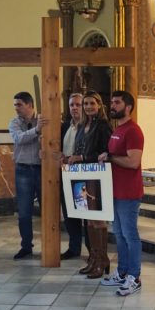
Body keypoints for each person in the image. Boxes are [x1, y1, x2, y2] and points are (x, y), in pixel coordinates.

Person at [99, 91, 145, 296]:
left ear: (128, 107)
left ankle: (134, 277)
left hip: (129, 192)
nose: (112, 105)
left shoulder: (133, 131)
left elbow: (133, 162)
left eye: (117, 102)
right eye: (111, 102)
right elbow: (115, 156)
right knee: (119, 234)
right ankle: (122, 272)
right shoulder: (117, 130)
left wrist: (110, 158)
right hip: (115, 191)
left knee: (130, 235)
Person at [70, 91, 113, 279]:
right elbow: (78, 149)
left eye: (91, 103)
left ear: (99, 105)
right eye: (85, 103)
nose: (88, 107)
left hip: (97, 176)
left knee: (97, 219)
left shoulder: (103, 125)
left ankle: (102, 259)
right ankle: (93, 258)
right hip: (81, 175)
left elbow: (107, 152)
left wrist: (82, 157)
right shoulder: (81, 126)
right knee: (87, 219)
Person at [9, 91, 48, 260]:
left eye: (19, 105)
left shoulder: (42, 120)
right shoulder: (14, 123)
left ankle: (49, 245)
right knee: (24, 212)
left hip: (42, 169)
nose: (16, 108)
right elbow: (19, 138)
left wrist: (43, 133)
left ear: (30, 105)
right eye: (15, 105)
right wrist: (36, 130)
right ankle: (26, 246)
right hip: (23, 170)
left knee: (48, 209)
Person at [61, 92, 89, 260]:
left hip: (83, 175)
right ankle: (74, 248)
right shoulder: (65, 126)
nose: (75, 108)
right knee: (70, 213)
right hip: (66, 174)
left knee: (86, 215)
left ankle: (92, 250)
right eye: (72, 105)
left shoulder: (88, 126)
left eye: (78, 104)